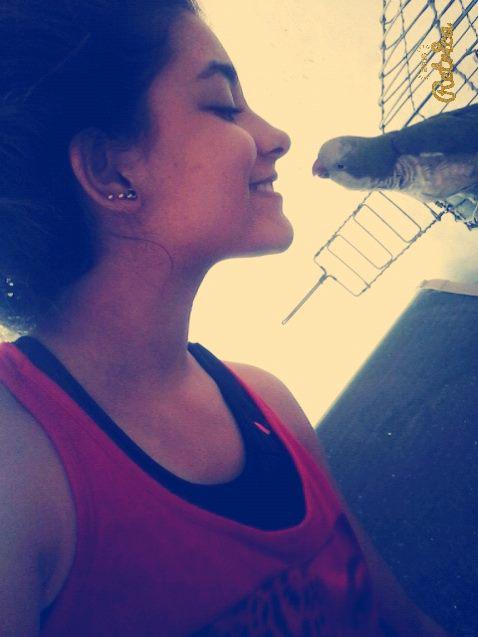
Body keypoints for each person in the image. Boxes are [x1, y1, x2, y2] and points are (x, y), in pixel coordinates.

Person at [0, 1, 450, 635]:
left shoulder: (269, 403)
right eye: (223, 106)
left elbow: (401, 623)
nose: (277, 137)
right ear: (111, 169)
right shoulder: (17, 470)